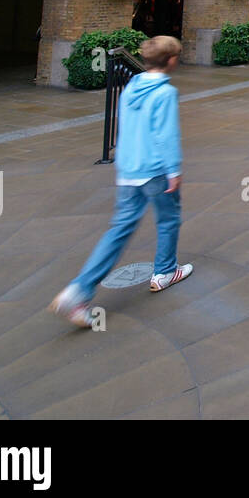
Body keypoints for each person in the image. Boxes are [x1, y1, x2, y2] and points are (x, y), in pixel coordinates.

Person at [49, 36, 192, 327]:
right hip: (155, 170)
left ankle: (79, 291)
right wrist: (174, 170)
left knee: (118, 231)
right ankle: (164, 271)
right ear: (172, 61)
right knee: (168, 219)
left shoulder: (130, 87)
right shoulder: (165, 94)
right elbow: (166, 136)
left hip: (128, 169)